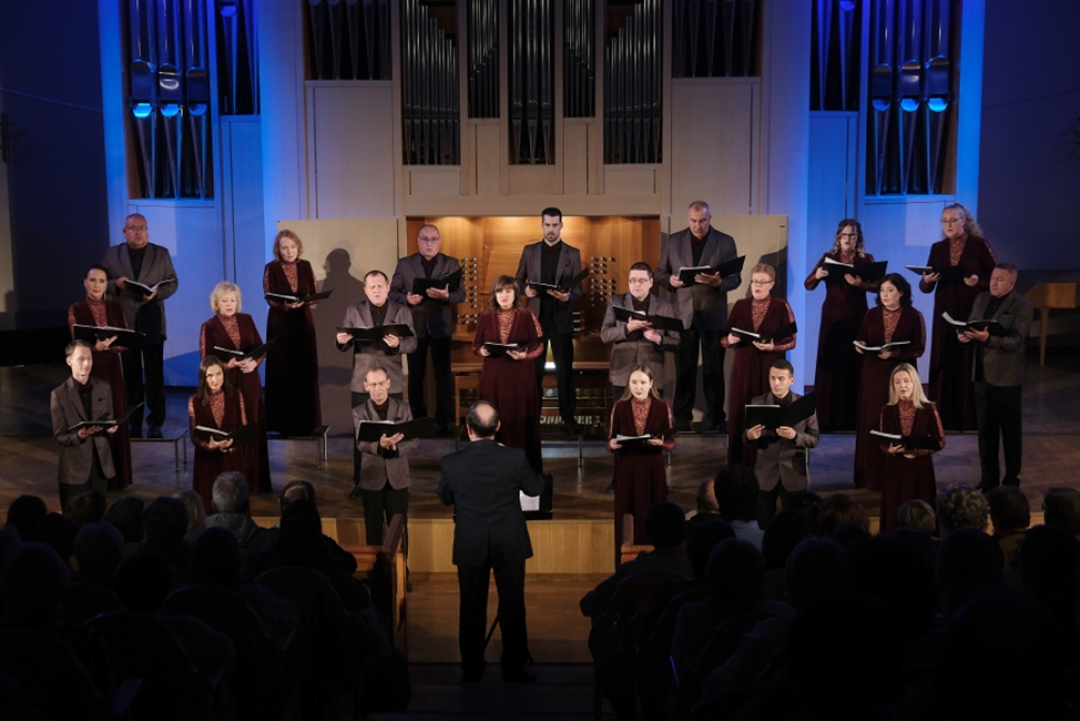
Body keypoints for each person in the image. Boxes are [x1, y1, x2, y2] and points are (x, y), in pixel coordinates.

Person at [436, 401, 546, 683]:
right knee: (512, 605)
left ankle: (472, 668)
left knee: (471, 608)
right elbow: (535, 488)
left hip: (470, 541)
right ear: (497, 427)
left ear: (468, 429)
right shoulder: (515, 457)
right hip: (508, 540)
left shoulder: (452, 462)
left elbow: (446, 498)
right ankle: (514, 667)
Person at [654, 201, 741, 433]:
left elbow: (736, 279)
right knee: (685, 370)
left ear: (709, 219)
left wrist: (718, 282)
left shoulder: (725, 241)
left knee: (714, 370)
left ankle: (715, 419)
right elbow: (660, 273)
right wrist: (670, 281)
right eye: (693, 221)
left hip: (713, 315)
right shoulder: (674, 241)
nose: (698, 226)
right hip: (684, 315)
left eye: (702, 221)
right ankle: (682, 419)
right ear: (688, 219)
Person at [919, 203, 996, 431]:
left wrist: (977, 281)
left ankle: (969, 419)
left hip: (971, 311)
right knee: (944, 360)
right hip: (944, 315)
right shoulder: (938, 248)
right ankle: (942, 418)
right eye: (944, 221)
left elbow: (995, 279)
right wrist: (927, 280)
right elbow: (925, 286)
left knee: (967, 362)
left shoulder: (979, 245)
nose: (948, 225)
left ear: (964, 220)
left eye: (953, 220)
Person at [336, 270, 417, 488]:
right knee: (363, 435)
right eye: (372, 287)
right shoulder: (354, 310)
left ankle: (395, 482)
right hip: (363, 381)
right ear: (365, 290)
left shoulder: (401, 310)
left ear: (388, 287)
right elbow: (344, 344)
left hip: (392, 380)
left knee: (395, 432)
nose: (376, 290)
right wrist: (341, 340)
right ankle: (361, 483)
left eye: (380, 286)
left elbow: (412, 343)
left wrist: (397, 345)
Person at [100, 213, 178, 438]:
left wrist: (156, 293)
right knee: (131, 376)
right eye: (133, 228)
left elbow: (173, 282)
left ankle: (156, 421)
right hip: (124, 321)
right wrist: (116, 284)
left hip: (151, 320)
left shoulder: (160, 253)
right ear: (124, 232)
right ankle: (134, 421)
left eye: (142, 228)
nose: (138, 232)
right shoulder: (113, 254)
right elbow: (101, 282)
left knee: (154, 375)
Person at [957, 262, 1033, 491]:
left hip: (1006, 378)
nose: (993, 282)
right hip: (981, 376)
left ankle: (1011, 481)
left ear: (1012, 282)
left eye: (999, 279)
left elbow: (1016, 342)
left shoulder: (1022, 305)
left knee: (1010, 433)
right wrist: (966, 335)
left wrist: (987, 339)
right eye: (992, 278)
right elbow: (971, 325)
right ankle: (988, 478)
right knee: (986, 433)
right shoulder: (981, 299)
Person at [804, 219, 879, 431]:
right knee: (833, 364)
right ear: (838, 237)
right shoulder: (829, 257)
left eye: (852, 236)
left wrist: (859, 284)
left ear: (858, 238)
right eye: (845, 235)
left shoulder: (865, 259)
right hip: (832, 318)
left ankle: (853, 419)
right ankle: (828, 419)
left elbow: (878, 286)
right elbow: (808, 285)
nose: (848, 239)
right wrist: (817, 275)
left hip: (857, 317)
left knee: (854, 362)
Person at [390, 223, 466, 435]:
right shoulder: (405, 264)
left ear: (439, 241)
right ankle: (419, 421)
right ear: (418, 241)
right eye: (425, 239)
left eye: (433, 239)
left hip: (441, 326)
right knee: (415, 376)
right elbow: (392, 293)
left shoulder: (451, 263)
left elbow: (462, 294)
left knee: (442, 376)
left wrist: (447, 296)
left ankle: (444, 422)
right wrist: (406, 298)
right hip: (415, 327)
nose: (429, 243)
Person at [852, 273, 925, 490]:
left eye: (890, 290)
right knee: (873, 420)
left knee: (899, 419)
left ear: (901, 292)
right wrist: (860, 344)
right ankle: (869, 476)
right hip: (874, 373)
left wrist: (897, 354)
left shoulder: (913, 315)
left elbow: (919, 348)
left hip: (901, 374)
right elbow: (862, 336)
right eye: (882, 290)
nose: (884, 294)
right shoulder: (872, 314)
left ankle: (898, 475)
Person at [515, 207, 583, 434]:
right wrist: (525, 289)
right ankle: (532, 419)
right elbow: (517, 280)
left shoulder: (572, 253)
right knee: (534, 371)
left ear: (561, 225)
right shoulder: (529, 251)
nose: (551, 229)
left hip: (561, 318)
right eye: (547, 225)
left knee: (565, 371)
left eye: (555, 225)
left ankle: (568, 419)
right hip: (536, 319)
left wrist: (568, 295)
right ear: (542, 225)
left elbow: (578, 289)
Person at [721, 263, 796, 467]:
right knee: (743, 409)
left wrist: (772, 347)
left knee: (767, 410)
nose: (757, 286)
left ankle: (767, 462)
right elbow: (724, 339)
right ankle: (741, 462)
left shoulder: (781, 306)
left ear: (772, 284)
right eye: (755, 281)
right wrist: (731, 340)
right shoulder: (740, 305)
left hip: (769, 367)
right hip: (744, 366)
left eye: (763, 282)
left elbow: (792, 340)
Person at [200, 281, 271, 494]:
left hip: (249, 380)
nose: (229, 304)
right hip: (226, 383)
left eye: (233, 300)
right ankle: (232, 483)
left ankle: (256, 481)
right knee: (234, 425)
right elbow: (206, 359)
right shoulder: (209, 326)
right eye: (225, 300)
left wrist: (254, 363)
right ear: (216, 303)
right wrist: (226, 365)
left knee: (253, 424)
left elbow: (261, 348)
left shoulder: (247, 320)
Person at [67, 264, 132, 489]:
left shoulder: (115, 307)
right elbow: (75, 343)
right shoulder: (77, 308)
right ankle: (95, 477)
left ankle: (118, 478)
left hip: (112, 367)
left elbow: (125, 340)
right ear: (85, 282)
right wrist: (96, 347)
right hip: (89, 368)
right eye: (93, 280)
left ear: (107, 284)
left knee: (114, 415)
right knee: (95, 416)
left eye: (102, 281)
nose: (97, 285)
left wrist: (115, 346)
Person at [472, 276, 545, 472]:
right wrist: (482, 352)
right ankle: (493, 466)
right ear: (494, 294)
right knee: (494, 416)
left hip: (520, 375)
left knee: (519, 418)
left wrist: (525, 355)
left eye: (508, 291)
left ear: (515, 294)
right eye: (500, 291)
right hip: (494, 377)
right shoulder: (486, 316)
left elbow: (539, 345)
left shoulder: (527, 315)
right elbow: (476, 345)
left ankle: (522, 467)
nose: (504, 295)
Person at [745, 359, 820, 528]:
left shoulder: (805, 405)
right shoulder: (758, 402)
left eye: (781, 378)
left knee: (795, 525)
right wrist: (749, 436)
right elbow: (746, 437)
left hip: (793, 473)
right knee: (763, 523)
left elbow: (814, 439)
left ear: (791, 380)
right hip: (765, 473)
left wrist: (795, 435)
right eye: (772, 378)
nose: (776, 383)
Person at [607, 365, 676, 548]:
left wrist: (660, 443)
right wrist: (613, 444)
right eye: (634, 382)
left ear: (651, 384)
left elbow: (670, 443)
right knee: (627, 511)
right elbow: (610, 440)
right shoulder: (620, 407)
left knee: (653, 512)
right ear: (628, 384)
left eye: (643, 383)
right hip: (628, 466)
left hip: (652, 466)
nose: (638, 387)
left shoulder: (662, 406)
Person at [263, 229, 323, 436]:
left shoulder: (305, 266)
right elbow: (269, 296)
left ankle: (305, 424)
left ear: (298, 248)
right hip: (280, 324)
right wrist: (287, 305)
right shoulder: (271, 268)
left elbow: (315, 293)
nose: (289, 251)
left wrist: (303, 302)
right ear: (278, 250)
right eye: (284, 247)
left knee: (304, 371)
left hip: (303, 323)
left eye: (293, 247)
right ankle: (283, 425)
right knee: (283, 371)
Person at [352, 366, 418, 545]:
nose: (377, 389)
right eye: (373, 384)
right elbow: (361, 444)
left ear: (388, 383)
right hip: (372, 479)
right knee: (373, 534)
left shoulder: (403, 409)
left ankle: (401, 572)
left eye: (381, 383)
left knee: (399, 534)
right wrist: (379, 446)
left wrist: (395, 448)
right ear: (366, 386)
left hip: (397, 479)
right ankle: (376, 573)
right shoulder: (359, 412)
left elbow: (413, 441)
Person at [50, 341, 119, 512]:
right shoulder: (59, 395)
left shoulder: (103, 387)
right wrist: (79, 435)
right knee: (72, 522)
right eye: (81, 359)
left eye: (89, 358)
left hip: (100, 466)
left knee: (98, 519)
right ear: (69, 361)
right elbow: (60, 436)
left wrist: (110, 429)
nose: (87, 363)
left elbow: (109, 419)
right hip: (74, 471)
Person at [877, 363, 944, 533]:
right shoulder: (888, 410)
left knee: (921, 513)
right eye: (897, 382)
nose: (902, 386)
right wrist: (889, 450)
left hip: (920, 470)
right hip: (895, 470)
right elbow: (883, 441)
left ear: (915, 383)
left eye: (906, 381)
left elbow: (940, 441)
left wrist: (917, 452)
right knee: (895, 512)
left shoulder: (928, 408)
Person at [599, 262, 680, 399]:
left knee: (651, 418)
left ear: (651, 282)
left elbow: (676, 342)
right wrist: (626, 328)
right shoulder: (616, 302)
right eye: (633, 280)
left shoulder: (664, 306)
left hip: (651, 375)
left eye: (641, 281)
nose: (636, 284)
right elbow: (604, 335)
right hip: (622, 373)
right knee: (623, 418)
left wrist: (657, 338)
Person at [188, 355, 255, 514]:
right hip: (206, 461)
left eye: (218, 374)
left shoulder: (236, 395)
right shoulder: (195, 401)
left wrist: (233, 443)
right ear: (203, 378)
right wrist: (208, 445)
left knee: (235, 504)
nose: (215, 380)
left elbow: (244, 427)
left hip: (231, 459)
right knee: (207, 504)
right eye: (210, 376)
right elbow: (194, 435)